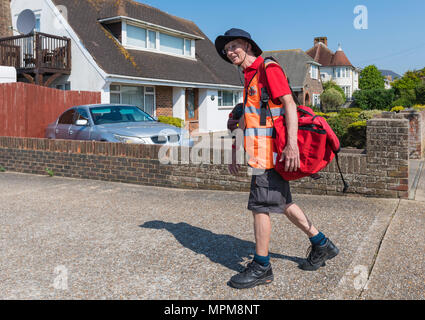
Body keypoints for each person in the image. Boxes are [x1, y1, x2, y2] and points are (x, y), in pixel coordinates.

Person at [215, 28, 339, 289]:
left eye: (235, 46)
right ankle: (322, 244)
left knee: (260, 207)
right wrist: (236, 149)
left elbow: (289, 104)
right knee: (283, 204)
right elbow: (248, 118)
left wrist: (292, 145)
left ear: (248, 46)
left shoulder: (267, 69)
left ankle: (262, 267)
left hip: (270, 157)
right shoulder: (250, 76)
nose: (230, 52)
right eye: (227, 49)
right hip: (262, 155)